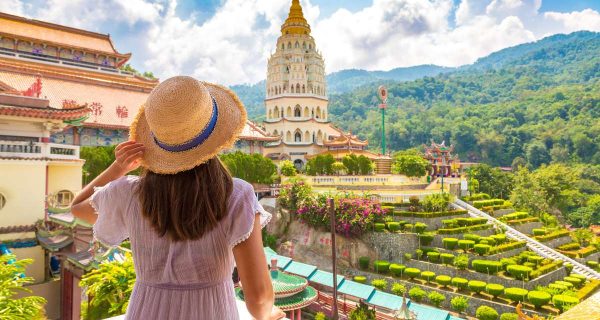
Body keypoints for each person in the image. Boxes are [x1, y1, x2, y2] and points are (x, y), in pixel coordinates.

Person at [71, 76, 285, 320]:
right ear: (216, 138)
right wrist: (270, 313)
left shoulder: (128, 193)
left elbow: (78, 207)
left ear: (156, 140)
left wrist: (118, 167)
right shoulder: (236, 195)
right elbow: (258, 299)